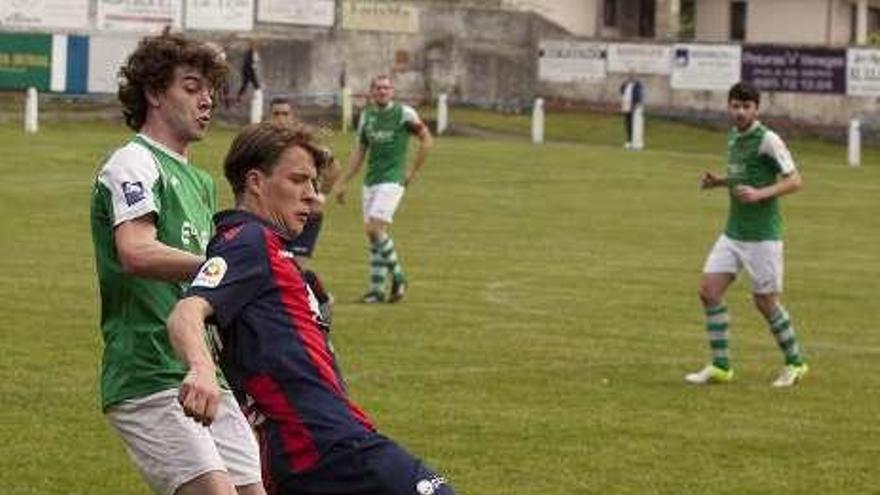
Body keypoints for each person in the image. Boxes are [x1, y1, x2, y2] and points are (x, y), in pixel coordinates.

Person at [166, 122, 455, 495]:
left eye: (315, 184)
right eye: (299, 180)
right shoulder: (248, 242)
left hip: (306, 456)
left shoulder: (269, 253)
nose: (313, 197)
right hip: (330, 449)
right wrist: (202, 369)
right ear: (256, 181)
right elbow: (186, 312)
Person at [89, 33, 264, 495]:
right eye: (191, 86)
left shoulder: (200, 182)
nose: (207, 99)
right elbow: (136, 250)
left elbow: (206, 290)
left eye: (211, 89)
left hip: (201, 371)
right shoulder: (134, 163)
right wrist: (224, 267)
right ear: (153, 93)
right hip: (147, 372)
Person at [685, 82, 807, 388]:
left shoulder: (768, 139)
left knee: (765, 303)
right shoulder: (734, 137)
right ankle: (721, 366)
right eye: (735, 106)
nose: (739, 112)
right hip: (733, 233)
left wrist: (760, 193)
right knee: (709, 291)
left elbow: (795, 181)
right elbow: (743, 175)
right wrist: (720, 182)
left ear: (756, 108)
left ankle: (796, 362)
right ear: (729, 106)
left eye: (746, 107)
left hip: (763, 236)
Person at [333, 74, 433, 303]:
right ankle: (377, 291)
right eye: (378, 88)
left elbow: (427, 140)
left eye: (386, 88)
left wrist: (412, 171)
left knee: (374, 229)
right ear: (371, 92)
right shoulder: (367, 116)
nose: (382, 91)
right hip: (371, 181)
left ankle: (399, 277)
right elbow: (359, 152)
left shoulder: (404, 114)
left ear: (392, 92)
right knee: (374, 236)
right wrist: (343, 182)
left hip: (392, 179)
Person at [268, 96, 340, 322]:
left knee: (295, 266)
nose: (280, 119)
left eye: (284, 114)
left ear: (292, 116)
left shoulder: (306, 146)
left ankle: (322, 301)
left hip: (307, 215)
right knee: (278, 264)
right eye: (276, 114)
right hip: (278, 215)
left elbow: (334, 167)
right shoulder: (267, 145)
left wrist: (321, 196)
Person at [619, 73, 643, 149]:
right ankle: (629, 140)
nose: (631, 77)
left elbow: (639, 95)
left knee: (634, 124)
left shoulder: (638, 85)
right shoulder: (626, 84)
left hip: (634, 107)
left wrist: (637, 103)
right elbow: (621, 90)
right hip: (626, 106)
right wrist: (624, 84)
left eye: (633, 76)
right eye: (630, 76)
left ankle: (635, 141)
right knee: (628, 123)